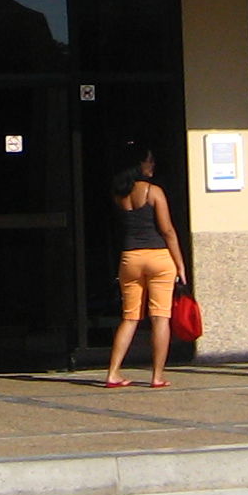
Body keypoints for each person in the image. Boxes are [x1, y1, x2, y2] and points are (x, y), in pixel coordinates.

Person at [103, 146, 187, 389]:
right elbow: (168, 230)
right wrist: (180, 264)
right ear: (139, 165)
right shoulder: (154, 191)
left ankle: (113, 372)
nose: (152, 166)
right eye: (149, 161)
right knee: (160, 317)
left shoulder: (119, 195)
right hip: (159, 257)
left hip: (130, 258)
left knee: (129, 318)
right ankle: (157, 376)